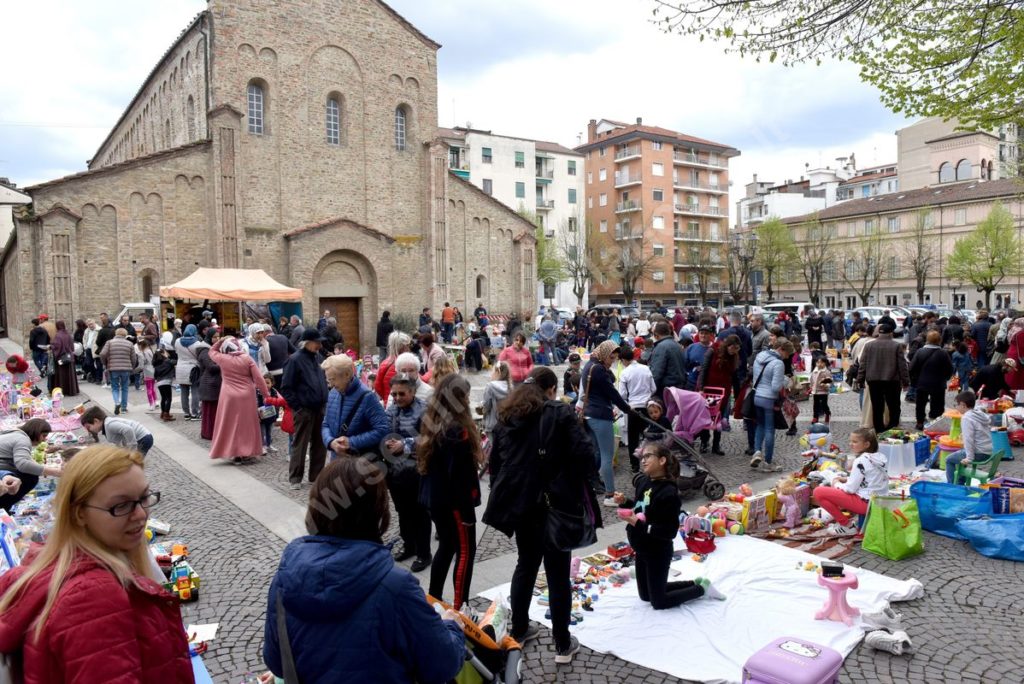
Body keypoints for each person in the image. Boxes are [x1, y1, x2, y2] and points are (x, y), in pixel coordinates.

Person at [261, 457, 464, 683]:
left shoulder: (285, 576)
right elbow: (444, 665)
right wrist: (452, 625)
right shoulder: (394, 586)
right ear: (377, 512)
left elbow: (277, 661)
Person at [0, 445, 192, 682]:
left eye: (143, 498)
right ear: (79, 513)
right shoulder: (93, 597)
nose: (141, 514)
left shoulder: (60, 565)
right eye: (121, 506)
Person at [484, 366, 599, 665]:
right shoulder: (559, 413)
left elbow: (496, 464)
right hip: (556, 504)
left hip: (523, 506)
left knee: (526, 565)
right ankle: (562, 644)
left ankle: (520, 629)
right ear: (550, 389)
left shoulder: (508, 416)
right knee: (558, 574)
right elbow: (587, 457)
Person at [614, 443, 726, 608]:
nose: (643, 461)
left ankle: (702, 589)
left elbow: (668, 531)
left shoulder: (669, 493)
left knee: (658, 602)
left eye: (648, 456)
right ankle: (693, 583)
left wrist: (638, 523)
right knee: (646, 596)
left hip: (657, 551)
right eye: (642, 457)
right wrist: (625, 502)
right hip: (641, 547)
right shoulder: (644, 482)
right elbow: (642, 508)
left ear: (662, 460)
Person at [417, 374, 482, 610]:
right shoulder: (456, 430)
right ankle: (460, 606)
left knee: (446, 546)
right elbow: (460, 477)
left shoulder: (433, 421)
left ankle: (434, 597)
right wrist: (466, 512)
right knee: (465, 552)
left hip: (437, 500)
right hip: (454, 503)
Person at [383, 373, 432, 573]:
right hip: (395, 472)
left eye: (401, 394)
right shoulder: (392, 409)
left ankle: (424, 553)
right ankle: (409, 545)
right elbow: (384, 430)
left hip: (417, 471)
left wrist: (405, 443)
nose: (397, 398)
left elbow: (430, 438)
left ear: (412, 392)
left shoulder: (425, 410)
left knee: (420, 513)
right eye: (394, 394)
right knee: (403, 512)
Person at [580, 340, 632, 501]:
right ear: (603, 354)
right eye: (611, 358)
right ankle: (610, 494)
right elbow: (613, 394)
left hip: (589, 414)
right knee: (607, 456)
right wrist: (628, 409)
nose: (612, 361)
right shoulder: (599, 370)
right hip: (601, 416)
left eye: (615, 358)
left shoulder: (590, 365)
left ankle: (590, 482)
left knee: (596, 452)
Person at [812, 429, 889, 535]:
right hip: (879, 500)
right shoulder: (880, 457)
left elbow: (850, 489)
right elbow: (869, 479)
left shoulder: (860, 460)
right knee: (832, 491)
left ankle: (846, 525)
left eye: (855, 442)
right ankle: (847, 523)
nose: (851, 444)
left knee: (818, 492)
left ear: (866, 444)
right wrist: (845, 479)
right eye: (850, 441)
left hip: (866, 503)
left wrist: (835, 482)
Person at [281, 329, 330, 488]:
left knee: (320, 444)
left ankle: (316, 476)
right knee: (300, 445)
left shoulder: (317, 357)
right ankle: (295, 478)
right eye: (317, 342)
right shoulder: (294, 360)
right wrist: (298, 408)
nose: (320, 345)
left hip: (320, 408)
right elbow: (286, 388)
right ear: (307, 342)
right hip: (304, 410)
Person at [209, 335, 270, 463]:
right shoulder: (247, 359)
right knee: (247, 424)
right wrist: (266, 395)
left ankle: (233, 452)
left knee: (230, 424)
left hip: (228, 396)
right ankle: (246, 451)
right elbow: (259, 379)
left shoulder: (222, 358)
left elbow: (212, 351)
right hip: (246, 395)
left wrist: (220, 341)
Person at [321, 354, 390, 461]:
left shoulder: (367, 397)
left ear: (347, 374)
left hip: (359, 462)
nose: (330, 385)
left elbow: (383, 429)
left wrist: (351, 442)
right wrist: (330, 442)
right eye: (328, 380)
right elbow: (326, 424)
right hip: (337, 460)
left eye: (333, 379)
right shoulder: (333, 394)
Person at [749, 340, 794, 472]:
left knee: (760, 426)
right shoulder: (778, 363)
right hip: (769, 398)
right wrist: (785, 381)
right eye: (787, 353)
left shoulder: (760, 356)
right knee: (770, 430)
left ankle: (757, 452)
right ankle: (768, 462)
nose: (787, 357)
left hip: (757, 396)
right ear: (781, 349)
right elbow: (775, 387)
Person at [856, 323, 909, 434]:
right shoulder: (896, 346)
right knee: (894, 406)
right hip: (892, 381)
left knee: (877, 407)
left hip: (873, 381)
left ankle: (879, 430)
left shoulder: (869, 345)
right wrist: (905, 382)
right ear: (891, 333)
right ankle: (892, 427)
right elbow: (902, 366)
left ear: (879, 333)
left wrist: (860, 380)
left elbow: (863, 364)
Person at [0, 419, 60, 511]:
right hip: (2, 469)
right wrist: (56, 472)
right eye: (43, 436)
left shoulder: (14, 434)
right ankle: (3, 507)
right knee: (31, 477)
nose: (44, 440)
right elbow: (23, 464)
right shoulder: (22, 439)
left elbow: (27, 460)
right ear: (36, 432)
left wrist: (44, 469)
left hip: (3, 468)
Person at [696, 334, 740, 455]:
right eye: (733, 348)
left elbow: (735, 376)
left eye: (737, 349)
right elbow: (704, 369)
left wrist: (737, 395)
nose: (734, 351)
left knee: (719, 418)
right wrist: (701, 388)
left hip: (724, 392)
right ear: (728, 345)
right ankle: (704, 442)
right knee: (707, 417)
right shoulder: (713, 350)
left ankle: (716, 444)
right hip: (710, 389)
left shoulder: (734, 357)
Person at [618, 343, 656, 472]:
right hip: (647, 407)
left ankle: (635, 465)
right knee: (648, 437)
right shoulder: (646, 368)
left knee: (633, 438)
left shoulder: (625, 372)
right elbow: (653, 388)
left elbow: (622, 394)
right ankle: (651, 462)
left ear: (623, 360)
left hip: (633, 408)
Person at [909, 330, 954, 430]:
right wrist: (945, 378)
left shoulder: (920, 351)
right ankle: (935, 421)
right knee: (937, 404)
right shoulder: (943, 353)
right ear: (939, 340)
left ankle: (920, 422)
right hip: (938, 383)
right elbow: (950, 369)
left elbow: (912, 368)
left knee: (920, 403)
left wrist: (915, 379)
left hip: (922, 382)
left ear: (927, 340)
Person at [945, 391, 992, 484]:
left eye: (956, 405)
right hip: (987, 451)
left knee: (949, 460)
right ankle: (960, 482)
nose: (956, 407)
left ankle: (952, 486)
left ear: (963, 405)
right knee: (960, 455)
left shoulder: (967, 418)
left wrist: (969, 458)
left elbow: (968, 440)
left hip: (979, 453)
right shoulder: (977, 414)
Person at [81, 406, 154, 457]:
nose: (89, 430)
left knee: (135, 463)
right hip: (142, 438)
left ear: (96, 421)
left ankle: (136, 477)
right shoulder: (106, 426)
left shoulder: (109, 425)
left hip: (143, 438)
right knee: (132, 463)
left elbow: (128, 430)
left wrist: (132, 449)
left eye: (89, 427)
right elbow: (120, 439)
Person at [100, 327, 138, 416]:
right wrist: (131, 367)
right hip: (126, 368)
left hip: (113, 368)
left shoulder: (109, 343)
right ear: (125, 335)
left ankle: (117, 402)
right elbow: (134, 358)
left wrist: (105, 363)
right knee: (125, 388)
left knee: (115, 387)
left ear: (116, 334)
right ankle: (124, 408)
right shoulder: (129, 344)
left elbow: (102, 354)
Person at [174, 324, 204, 421]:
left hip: (180, 368)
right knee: (195, 391)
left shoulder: (177, 341)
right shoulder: (197, 343)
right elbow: (199, 356)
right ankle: (195, 413)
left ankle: (186, 413)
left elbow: (176, 352)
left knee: (184, 392)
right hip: (193, 369)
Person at [648, 320, 687, 395]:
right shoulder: (678, 345)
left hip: (666, 390)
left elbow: (656, 373)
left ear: (656, 335)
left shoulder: (661, 347)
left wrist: (651, 392)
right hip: (678, 388)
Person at [374, 331, 412, 403]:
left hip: (388, 403)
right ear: (402, 347)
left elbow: (377, 386)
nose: (409, 348)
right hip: (402, 404)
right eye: (408, 345)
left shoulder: (385, 363)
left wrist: (386, 398)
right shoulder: (405, 363)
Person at [479, 361, 511, 439]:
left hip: (492, 425)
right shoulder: (510, 387)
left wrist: (481, 404)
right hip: (506, 424)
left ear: (498, 372)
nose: (491, 374)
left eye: (492, 372)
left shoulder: (490, 386)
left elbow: (486, 406)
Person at [49, 320, 80, 396]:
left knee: (62, 376)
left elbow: (57, 346)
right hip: (69, 358)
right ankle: (71, 390)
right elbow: (72, 347)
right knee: (70, 375)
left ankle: (63, 390)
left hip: (61, 359)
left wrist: (51, 347)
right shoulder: (68, 334)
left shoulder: (58, 335)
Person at [258, 374, 284, 454]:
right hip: (262, 416)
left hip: (271, 415)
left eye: (268, 383)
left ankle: (269, 445)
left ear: (272, 383)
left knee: (269, 431)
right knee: (262, 432)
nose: (265, 385)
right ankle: (262, 446)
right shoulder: (258, 392)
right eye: (264, 382)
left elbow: (281, 399)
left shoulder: (274, 391)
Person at [684, 326, 714, 390]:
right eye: (701, 333)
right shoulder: (691, 347)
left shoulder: (715, 349)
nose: (703, 335)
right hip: (691, 383)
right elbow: (685, 364)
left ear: (711, 335)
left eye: (706, 333)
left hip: (708, 385)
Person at [810, 356, 833, 425]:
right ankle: (815, 417)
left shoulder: (826, 372)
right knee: (815, 404)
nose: (819, 364)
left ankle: (827, 413)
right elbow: (812, 380)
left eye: (822, 362)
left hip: (823, 391)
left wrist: (825, 385)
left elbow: (829, 381)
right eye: (818, 362)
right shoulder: (814, 371)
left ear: (825, 363)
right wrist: (811, 387)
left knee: (824, 404)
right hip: (815, 391)